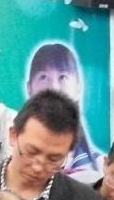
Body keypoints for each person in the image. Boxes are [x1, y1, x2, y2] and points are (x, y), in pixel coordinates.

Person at [25, 42, 103, 183]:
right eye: (43, 77)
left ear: (79, 87)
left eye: (63, 77)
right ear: (29, 88)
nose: (54, 87)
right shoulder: (13, 159)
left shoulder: (101, 169)